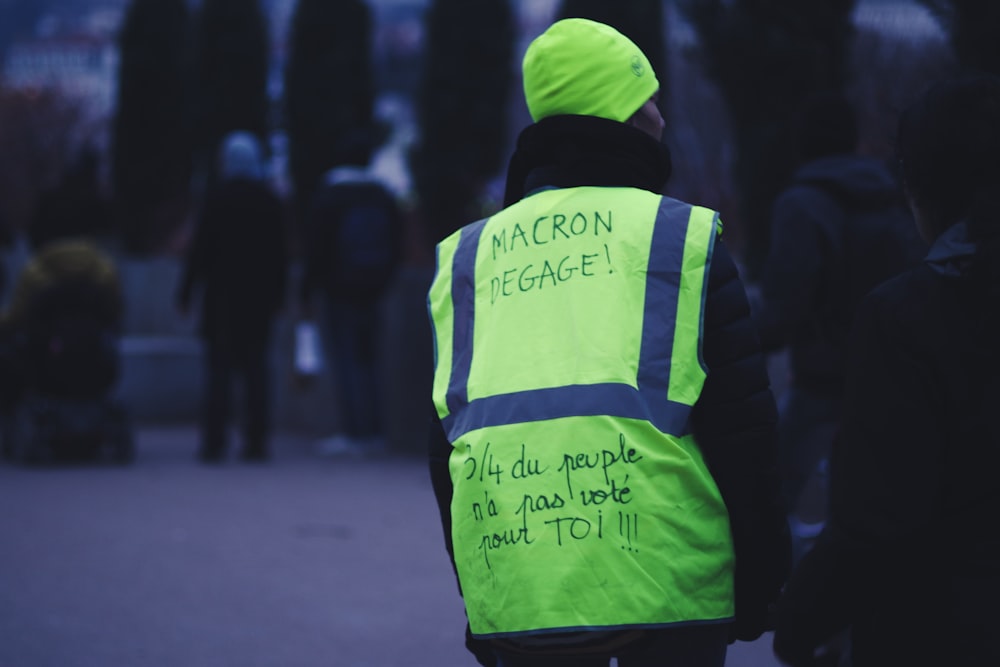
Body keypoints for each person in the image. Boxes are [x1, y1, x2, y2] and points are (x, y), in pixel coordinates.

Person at [426, 18, 790, 667]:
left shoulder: (466, 257)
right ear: (623, 113)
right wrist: (762, 582)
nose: (661, 115)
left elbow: (448, 444)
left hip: (521, 582)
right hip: (670, 586)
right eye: (647, 97)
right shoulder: (681, 238)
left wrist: (482, 594)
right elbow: (744, 433)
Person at [772, 74, 1000, 667]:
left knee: (783, 487)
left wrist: (797, 622)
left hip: (942, 629)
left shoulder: (908, 317)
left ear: (923, 187)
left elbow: (877, 521)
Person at [752, 92, 925, 557]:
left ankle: (774, 577)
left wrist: (751, 342)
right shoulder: (894, 196)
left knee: (773, 487)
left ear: (801, 144)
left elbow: (786, 297)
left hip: (824, 375)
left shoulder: (802, 204)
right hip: (891, 367)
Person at [177, 130, 288, 463]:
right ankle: (257, 441)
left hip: (221, 301)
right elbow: (280, 255)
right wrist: (279, 297)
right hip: (258, 302)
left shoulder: (217, 198)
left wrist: (186, 293)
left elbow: (200, 251)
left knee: (218, 373)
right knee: (256, 371)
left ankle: (215, 442)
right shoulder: (269, 201)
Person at [298, 134, 403, 456]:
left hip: (337, 289)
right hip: (373, 289)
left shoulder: (331, 195)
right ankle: (376, 432)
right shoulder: (382, 195)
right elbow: (398, 244)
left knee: (346, 361)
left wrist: (307, 288)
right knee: (371, 360)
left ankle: (354, 433)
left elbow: (315, 248)